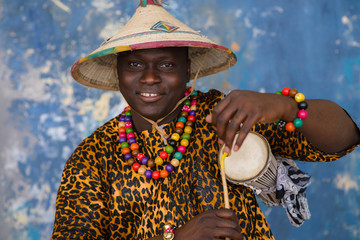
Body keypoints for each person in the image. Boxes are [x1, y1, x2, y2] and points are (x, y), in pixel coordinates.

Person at [51, 1, 360, 239]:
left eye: (167, 64)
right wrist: (176, 237)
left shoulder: (225, 116)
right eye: (134, 64)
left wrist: (283, 106)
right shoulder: (92, 158)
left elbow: (345, 137)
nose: (149, 77)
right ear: (118, 73)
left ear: (188, 71)